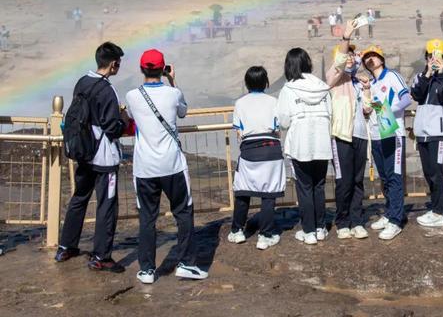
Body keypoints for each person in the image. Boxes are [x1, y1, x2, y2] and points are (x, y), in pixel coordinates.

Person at [125, 49, 208, 284]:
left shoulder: (132, 96)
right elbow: (183, 112)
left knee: (147, 218)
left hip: (145, 168)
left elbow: (132, 117)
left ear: (142, 69)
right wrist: (174, 81)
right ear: (163, 69)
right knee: (183, 212)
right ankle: (186, 264)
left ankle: (147, 270)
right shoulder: (173, 93)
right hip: (173, 165)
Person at [55, 42, 128, 273]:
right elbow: (112, 128)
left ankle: (66, 246)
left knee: (79, 198)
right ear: (114, 64)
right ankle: (101, 256)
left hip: (83, 152)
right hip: (104, 158)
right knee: (107, 205)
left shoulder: (82, 82)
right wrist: (123, 119)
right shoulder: (107, 90)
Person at [276, 48, 332, 245]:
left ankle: (308, 230)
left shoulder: (288, 89)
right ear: (308, 62)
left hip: (300, 144)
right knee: (319, 186)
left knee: (305, 188)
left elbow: (283, 121)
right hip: (322, 143)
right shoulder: (322, 86)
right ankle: (320, 228)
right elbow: (330, 114)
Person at [228, 66, 286, 250]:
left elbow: (239, 131)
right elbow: (277, 129)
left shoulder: (240, 103)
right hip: (271, 150)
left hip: (249, 151)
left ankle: (237, 231)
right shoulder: (273, 101)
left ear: (246, 83)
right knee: (268, 195)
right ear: (266, 82)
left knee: (243, 191)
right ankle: (265, 236)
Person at [326, 20, 373, 240]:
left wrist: (367, 91)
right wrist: (346, 39)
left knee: (357, 180)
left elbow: (366, 110)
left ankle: (357, 221)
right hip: (341, 136)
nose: (353, 59)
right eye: (349, 56)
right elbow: (340, 62)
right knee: (343, 181)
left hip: (360, 134)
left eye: (355, 56)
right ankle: (342, 220)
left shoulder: (357, 81)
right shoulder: (334, 78)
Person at [362, 45, 412, 240]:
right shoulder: (371, 83)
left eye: (373, 56)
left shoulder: (392, 76)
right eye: (367, 57)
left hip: (392, 133)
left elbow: (406, 98)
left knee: (394, 176)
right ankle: (391, 212)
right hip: (376, 134)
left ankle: (396, 220)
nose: (370, 59)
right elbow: (368, 108)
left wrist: (387, 109)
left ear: (381, 59)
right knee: (385, 177)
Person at [410, 39, 443, 227]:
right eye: (430, 56)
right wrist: (428, 74)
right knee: (429, 173)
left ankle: (441, 211)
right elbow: (416, 95)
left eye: (437, 56)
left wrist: (441, 73)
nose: (433, 59)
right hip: (422, 131)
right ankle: (437, 207)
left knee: (437, 172)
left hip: (438, 132)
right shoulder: (420, 77)